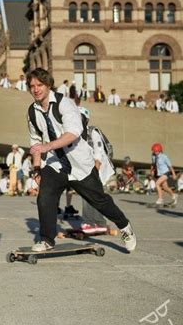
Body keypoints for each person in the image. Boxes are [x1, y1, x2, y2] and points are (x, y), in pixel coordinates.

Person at [26, 68, 136, 252]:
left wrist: (48, 146)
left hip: (79, 165)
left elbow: (72, 134)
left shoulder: (65, 104)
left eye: (39, 85)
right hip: (55, 164)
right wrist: (37, 169)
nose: (36, 89)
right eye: (32, 86)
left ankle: (124, 226)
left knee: (99, 201)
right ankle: (46, 239)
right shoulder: (32, 112)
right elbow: (36, 142)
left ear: (48, 85)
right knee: (45, 196)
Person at [78, 107, 116, 234]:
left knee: (89, 195)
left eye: (80, 117)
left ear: (85, 119)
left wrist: (95, 170)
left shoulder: (92, 132)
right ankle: (99, 223)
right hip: (86, 169)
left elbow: (98, 152)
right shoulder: (76, 133)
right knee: (94, 196)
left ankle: (91, 223)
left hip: (97, 169)